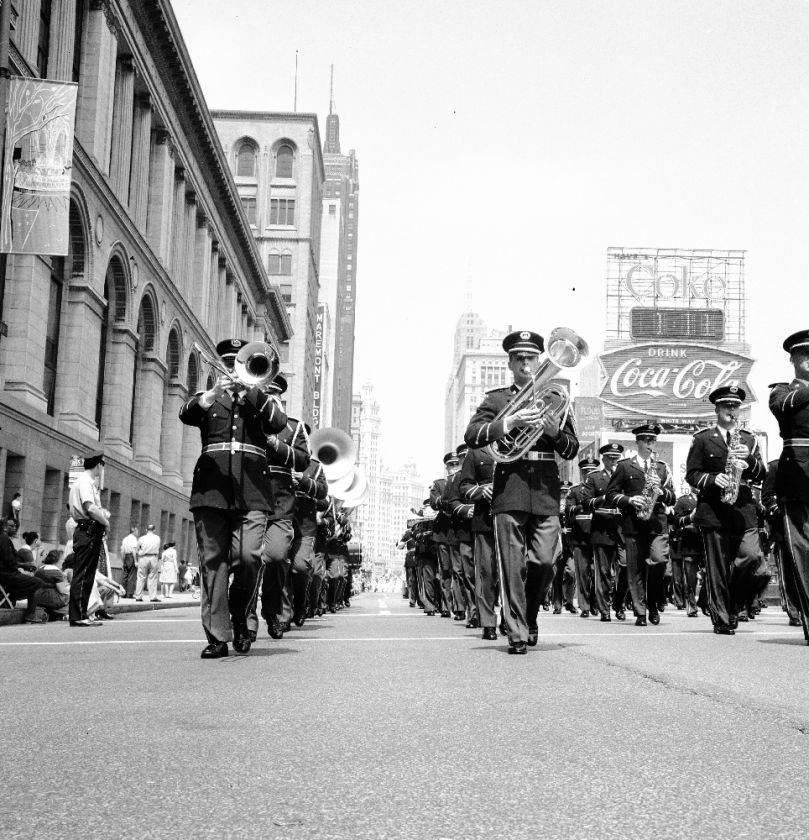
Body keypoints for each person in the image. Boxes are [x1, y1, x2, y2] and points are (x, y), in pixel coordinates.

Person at [465, 329, 579, 654]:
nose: (526, 363)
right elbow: (472, 435)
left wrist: (556, 433)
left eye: (531, 358)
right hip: (510, 489)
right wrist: (509, 423)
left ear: (540, 360)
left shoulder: (556, 398)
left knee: (545, 560)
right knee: (512, 564)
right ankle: (516, 631)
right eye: (519, 358)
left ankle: (528, 616)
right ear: (510, 363)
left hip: (545, 490)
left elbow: (571, 449)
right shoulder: (497, 400)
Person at [179, 337, 287, 658]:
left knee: (250, 557)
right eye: (228, 364)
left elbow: (278, 424)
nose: (234, 369)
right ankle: (217, 635)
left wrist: (252, 390)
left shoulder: (262, 400)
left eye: (237, 363)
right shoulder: (208, 398)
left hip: (252, 491)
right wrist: (209, 396)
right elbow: (185, 413)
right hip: (211, 491)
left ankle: (242, 618)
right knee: (213, 563)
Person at [686, 386, 766, 635]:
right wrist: (712, 480)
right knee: (717, 568)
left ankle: (733, 604)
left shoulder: (749, 438)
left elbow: (762, 472)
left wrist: (749, 461)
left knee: (752, 558)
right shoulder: (702, 438)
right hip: (713, 509)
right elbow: (692, 474)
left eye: (735, 406)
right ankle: (721, 618)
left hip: (743, 507)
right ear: (717, 409)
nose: (731, 410)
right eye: (726, 406)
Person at [606, 423, 675, 627]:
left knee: (659, 561)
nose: (649, 443)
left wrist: (662, 492)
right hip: (633, 525)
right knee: (634, 570)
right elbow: (611, 495)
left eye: (652, 440)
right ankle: (641, 611)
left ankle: (653, 603)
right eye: (645, 439)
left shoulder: (662, 467)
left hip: (657, 524)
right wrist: (629, 500)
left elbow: (673, 498)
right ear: (637, 442)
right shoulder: (625, 466)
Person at [769, 329, 809, 643]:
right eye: (804, 353)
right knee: (803, 549)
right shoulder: (782, 391)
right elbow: (786, 406)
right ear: (792, 359)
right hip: (798, 475)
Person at [457, 440, 498, 639]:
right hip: (484, 521)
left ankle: (510, 619)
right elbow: (464, 485)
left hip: (513, 517)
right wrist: (481, 491)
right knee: (486, 574)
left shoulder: (518, 447)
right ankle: (489, 622)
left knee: (512, 571)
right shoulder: (476, 453)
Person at [582, 443, 625, 621]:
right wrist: (603, 498)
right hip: (602, 528)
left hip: (622, 528)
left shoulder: (625, 474)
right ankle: (604, 608)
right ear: (604, 459)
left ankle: (619, 602)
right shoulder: (594, 477)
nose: (613, 461)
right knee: (604, 572)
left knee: (626, 567)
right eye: (610, 458)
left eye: (616, 458)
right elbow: (586, 502)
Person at [67, 450, 109, 627]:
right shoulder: (85, 482)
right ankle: (78, 615)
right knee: (83, 573)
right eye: (102, 465)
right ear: (98, 465)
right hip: (88, 530)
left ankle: (82, 613)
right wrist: (106, 522)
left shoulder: (85, 482)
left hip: (88, 530)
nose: (102, 469)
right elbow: (90, 508)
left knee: (87, 573)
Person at [445, 444, 478, 628]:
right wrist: (466, 510)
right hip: (464, 533)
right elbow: (451, 503)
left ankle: (484, 611)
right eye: (463, 457)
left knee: (487, 574)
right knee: (468, 575)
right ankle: (473, 612)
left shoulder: (483, 473)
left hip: (485, 530)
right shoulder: (457, 478)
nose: (465, 460)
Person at [566, 457, 600, 618]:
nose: (588, 474)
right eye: (586, 471)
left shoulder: (601, 488)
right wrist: (585, 505)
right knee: (582, 573)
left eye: (592, 471)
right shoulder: (575, 490)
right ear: (581, 472)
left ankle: (594, 602)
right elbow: (569, 511)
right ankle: (585, 605)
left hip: (598, 534)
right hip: (580, 536)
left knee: (596, 572)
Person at [0, 518, 44, 622]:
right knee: (38, 583)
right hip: (6, 575)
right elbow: (9, 561)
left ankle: (12, 598)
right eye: (11, 526)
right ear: (4, 527)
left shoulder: (4, 538)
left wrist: (24, 565)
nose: (14, 528)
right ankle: (30, 614)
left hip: (5, 574)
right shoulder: (3, 538)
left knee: (30, 581)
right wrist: (23, 567)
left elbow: (12, 559)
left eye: (15, 526)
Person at [670, 488, 702, 617]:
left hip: (705, 541)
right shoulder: (683, 501)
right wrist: (690, 517)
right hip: (690, 542)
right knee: (690, 577)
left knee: (710, 574)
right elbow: (675, 520)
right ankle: (692, 605)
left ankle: (707, 601)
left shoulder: (708, 499)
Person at [34, 549, 69, 621]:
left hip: (37, 597)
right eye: (62, 559)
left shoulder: (39, 569)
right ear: (57, 560)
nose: (63, 561)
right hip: (52, 599)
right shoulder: (56, 572)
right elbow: (62, 590)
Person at [135, 524, 161, 602]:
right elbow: (158, 547)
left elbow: (137, 549)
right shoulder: (157, 538)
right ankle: (152, 597)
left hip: (143, 557)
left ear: (146, 530)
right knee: (153, 578)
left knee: (141, 577)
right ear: (154, 530)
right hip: (153, 557)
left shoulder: (141, 538)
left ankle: (138, 596)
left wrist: (140, 553)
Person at [120, 525, 139, 598]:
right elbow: (134, 550)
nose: (137, 533)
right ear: (134, 531)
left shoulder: (125, 539)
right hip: (131, 556)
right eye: (137, 531)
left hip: (126, 557)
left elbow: (122, 551)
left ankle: (123, 593)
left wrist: (122, 561)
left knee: (125, 575)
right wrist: (135, 561)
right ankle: (129, 594)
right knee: (132, 575)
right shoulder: (134, 539)